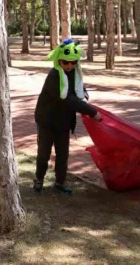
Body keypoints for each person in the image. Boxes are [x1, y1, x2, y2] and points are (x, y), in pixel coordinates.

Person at [33, 39, 101, 194]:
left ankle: (60, 182)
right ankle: (39, 179)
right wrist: (91, 111)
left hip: (63, 122)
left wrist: (84, 94)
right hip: (47, 120)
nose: (69, 66)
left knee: (63, 154)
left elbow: (79, 91)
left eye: (73, 62)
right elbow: (68, 99)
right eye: (66, 62)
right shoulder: (54, 76)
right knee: (44, 153)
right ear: (59, 60)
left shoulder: (75, 74)